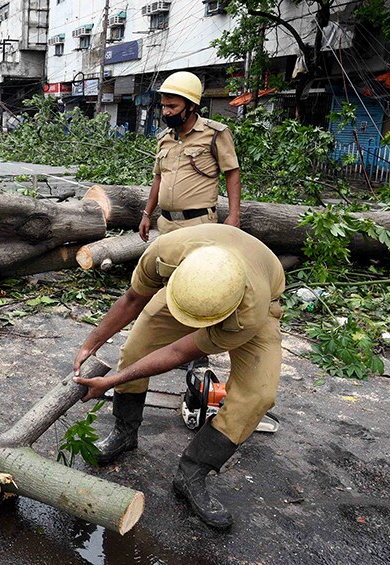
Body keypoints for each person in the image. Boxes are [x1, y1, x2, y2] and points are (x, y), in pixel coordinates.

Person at [72, 224, 285, 530]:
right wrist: (90, 344)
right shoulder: (166, 253)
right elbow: (133, 299)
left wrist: (110, 382)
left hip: (257, 303)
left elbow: (176, 354)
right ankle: (125, 431)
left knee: (257, 395)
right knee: (136, 349)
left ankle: (192, 472)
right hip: (191, 289)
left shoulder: (245, 315)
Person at [138, 72, 241, 242]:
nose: (166, 112)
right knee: (165, 268)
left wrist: (234, 215)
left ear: (191, 106)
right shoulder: (164, 138)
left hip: (198, 224)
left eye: (172, 106)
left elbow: (232, 173)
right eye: (164, 106)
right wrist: (146, 214)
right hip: (165, 224)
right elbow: (158, 177)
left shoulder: (214, 134)